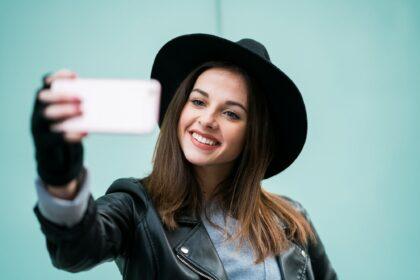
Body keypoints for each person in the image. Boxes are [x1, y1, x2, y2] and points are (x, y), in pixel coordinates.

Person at [31, 33, 337, 279]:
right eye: (199, 101)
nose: (207, 120)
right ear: (179, 109)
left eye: (231, 113)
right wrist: (59, 170)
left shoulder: (290, 220)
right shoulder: (136, 208)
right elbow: (74, 250)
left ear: (253, 136)